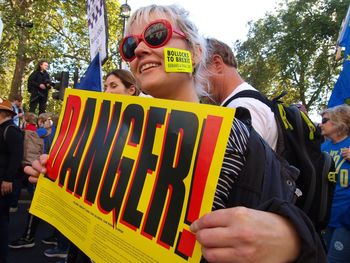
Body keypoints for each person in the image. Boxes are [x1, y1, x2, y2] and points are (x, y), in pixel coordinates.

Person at [25, 4, 325, 262]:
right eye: (130, 46)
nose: (139, 50)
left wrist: (290, 240)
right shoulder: (110, 134)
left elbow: (301, 235)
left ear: (195, 53)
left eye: (156, 35)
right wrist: (59, 183)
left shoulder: (237, 136)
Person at [205, 38, 278, 150]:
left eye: (197, 72)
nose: (194, 84)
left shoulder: (241, 108)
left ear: (217, 64)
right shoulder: (251, 100)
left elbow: (250, 165)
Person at [320, 104, 350, 263]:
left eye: (325, 120)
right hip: (326, 217)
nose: (321, 124)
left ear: (339, 123)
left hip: (345, 220)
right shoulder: (322, 148)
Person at [0, 98, 24, 263]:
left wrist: (8, 180)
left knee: (1, 221)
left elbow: (16, 157)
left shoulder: (11, 130)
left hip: (4, 183)